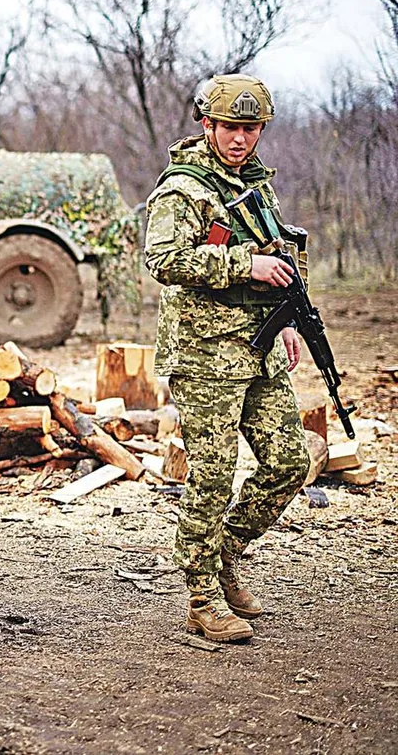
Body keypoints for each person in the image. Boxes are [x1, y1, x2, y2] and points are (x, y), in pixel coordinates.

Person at [144, 74, 310, 643]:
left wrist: (285, 317)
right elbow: (163, 259)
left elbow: (278, 255)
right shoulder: (183, 189)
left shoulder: (257, 187)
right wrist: (244, 266)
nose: (240, 139)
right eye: (230, 128)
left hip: (259, 347)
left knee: (289, 463)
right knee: (211, 477)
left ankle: (224, 554)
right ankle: (201, 597)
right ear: (207, 125)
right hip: (205, 353)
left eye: (250, 128)